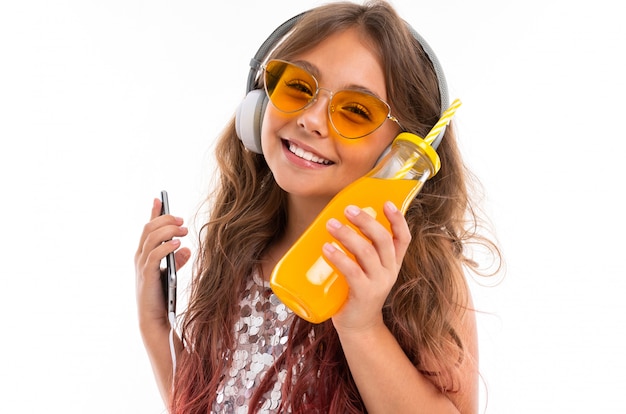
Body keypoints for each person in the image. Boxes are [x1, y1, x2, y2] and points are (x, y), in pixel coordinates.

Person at [135, 1, 501, 413]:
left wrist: (361, 326)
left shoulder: (420, 276)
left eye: (356, 111)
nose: (312, 119)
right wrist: (156, 328)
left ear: (403, 153)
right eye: (297, 86)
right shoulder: (239, 252)